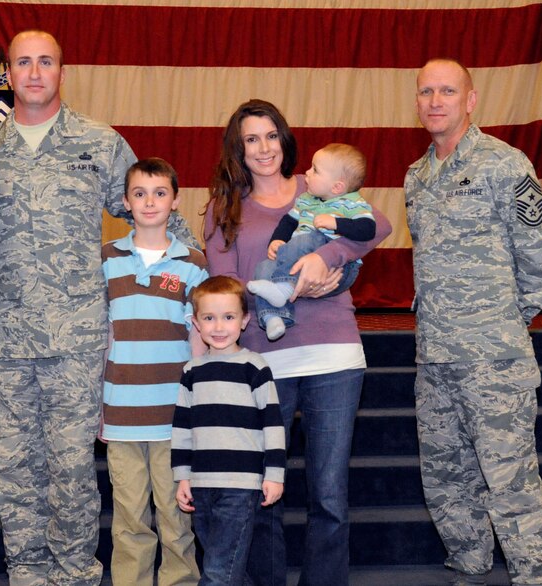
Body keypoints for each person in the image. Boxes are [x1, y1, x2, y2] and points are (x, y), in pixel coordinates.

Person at [0, 30, 194, 585]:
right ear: (7, 72)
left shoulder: (99, 144)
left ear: (62, 70)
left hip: (78, 338)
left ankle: (75, 574)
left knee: (72, 468)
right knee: (14, 468)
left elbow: (154, 212)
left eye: (45, 62)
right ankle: (26, 573)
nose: (34, 72)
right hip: (7, 337)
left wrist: (189, 278)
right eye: (23, 62)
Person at [203, 99, 392, 586]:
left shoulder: (319, 186)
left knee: (329, 493)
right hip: (263, 361)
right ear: (238, 149)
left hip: (333, 354)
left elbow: (379, 226)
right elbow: (222, 285)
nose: (263, 148)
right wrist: (279, 288)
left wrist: (325, 261)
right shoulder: (224, 208)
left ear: (284, 140)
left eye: (270, 135)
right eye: (251, 139)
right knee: (264, 492)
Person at [405, 58, 542, 586]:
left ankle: (539, 576)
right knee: (446, 478)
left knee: (511, 479)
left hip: (493, 358)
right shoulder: (417, 174)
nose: (435, 101)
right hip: (435, 357)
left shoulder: (505, 164)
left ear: (470, 100)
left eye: (447, 91)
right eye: (426, 91)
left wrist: (498, 320)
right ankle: (469, 565)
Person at [100, 158, 206, 585]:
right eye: (139, 194)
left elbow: (199, 335)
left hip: (172, 417)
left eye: (160, 193)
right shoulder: (106, 259)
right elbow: (101, 335)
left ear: (175, 201)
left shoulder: (192, 262)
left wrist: (198, 403)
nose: (150, 202)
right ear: (126, 202)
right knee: (128, 522)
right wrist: (97, 409)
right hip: (121, 413)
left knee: (176, 518)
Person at [171, 275, 285, 586]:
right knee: (226, 565)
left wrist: (274, 475)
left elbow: (273, 426)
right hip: (201, 484)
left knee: (218, 574)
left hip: (241, 485)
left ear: (245, 321)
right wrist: (182, 476)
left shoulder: (255, 367)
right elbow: (182, 428)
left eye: (228, 317)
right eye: (209, 318)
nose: (218, 327)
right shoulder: (191, 371)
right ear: (196, 323)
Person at [247, 143, 375, 340]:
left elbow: (368, 229)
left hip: (339, 269)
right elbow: (288, 221)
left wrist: (336, 223)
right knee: (264, 268)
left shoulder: (352, 202)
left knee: (308, 237)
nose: (307, 172)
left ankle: (284, 289)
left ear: (337, 186)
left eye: (315, 170)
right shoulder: (306, 199)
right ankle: (273, 318)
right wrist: (277, 240)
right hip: (297, 259)